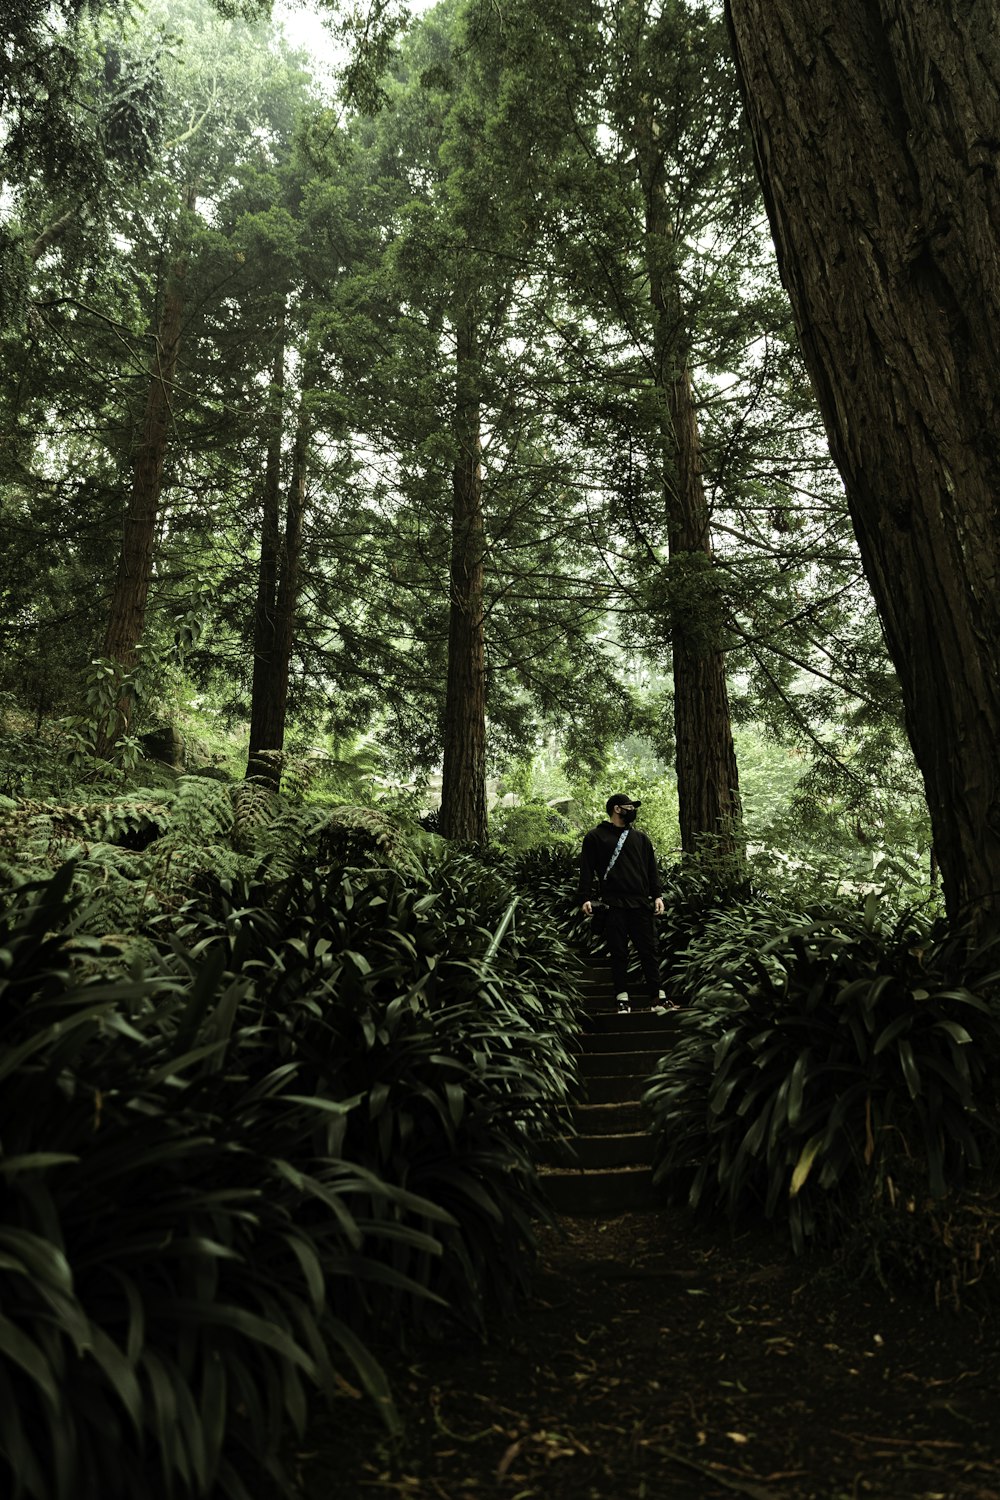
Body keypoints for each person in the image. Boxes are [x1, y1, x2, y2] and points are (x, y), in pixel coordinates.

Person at [577, 793, 669, 1013]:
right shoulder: (595, 837)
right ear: (617, 809)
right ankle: (622, 998)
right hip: (613, 903)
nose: (633, 810)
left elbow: (651, 870)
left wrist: (657, 895)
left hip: (640, 904)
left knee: (648, 950)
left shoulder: (641, 839)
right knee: (618, 952)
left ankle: (657, 996)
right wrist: (584, 898)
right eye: (629, 807)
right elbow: (587, 870)